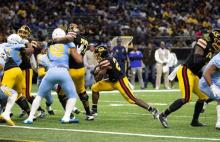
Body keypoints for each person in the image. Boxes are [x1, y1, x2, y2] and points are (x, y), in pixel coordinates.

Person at [158, 29, 220, 128]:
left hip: (194, 73)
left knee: (203, 97)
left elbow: (200, 66)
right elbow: (196, 61)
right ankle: (163, 115)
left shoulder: (211, 49)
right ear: (215, 39)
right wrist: (208, 59)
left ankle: (195, 121)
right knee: (186, 98)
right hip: (186, 71)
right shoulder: (203, 42)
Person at [23, 28, 81, 124]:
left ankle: (30, 117)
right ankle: (66, 117)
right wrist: (77, 50)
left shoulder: (50, 45)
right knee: (72, 96)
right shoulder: (69, 44)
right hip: (63, 71)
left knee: (39, 96)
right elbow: (78, 60)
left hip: (51, 72)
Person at [91, 45, 160, 122]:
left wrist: (95, 73)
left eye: (97, 54)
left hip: (120, 81)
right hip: (112, 80)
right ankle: (94, 110)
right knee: (95, 88)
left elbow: (98, 78)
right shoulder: (108, 58)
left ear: (101, 54)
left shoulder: (105, 61)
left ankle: (153, 110)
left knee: (132, 99)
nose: (96, 56)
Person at [50, 23, 94, 120]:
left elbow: (68, 42)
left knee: (61, 93)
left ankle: (69, 115)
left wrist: (55, 40)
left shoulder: (69, 38)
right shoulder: (85, 41)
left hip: (70, 69)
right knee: (82, 91)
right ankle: (89, 113)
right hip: (80, 68)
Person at [0, 34, 33, 117]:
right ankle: (30, 113)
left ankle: (6, 113)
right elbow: (30, 50)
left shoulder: (4, 46)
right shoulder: (20, 47)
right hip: (18, 71)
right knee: (18, 94)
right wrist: (26, 42)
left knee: (4, 93)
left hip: (8, 71)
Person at [17, 25, 45, 118]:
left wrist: (35, 68)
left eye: (25, 32)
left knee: (27, 94)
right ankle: (24, 109)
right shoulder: (15, 41)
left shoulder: (27, 43)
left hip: (26, 69)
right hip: (18, 70)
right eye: (21, 31)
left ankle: (40, 110)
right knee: (17, 92)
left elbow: (31, 54)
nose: (22, 34)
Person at [199, 52, 220, 129]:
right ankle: (219, 123)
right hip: (206, 83)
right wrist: (212, 87)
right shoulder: (219, 59)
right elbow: (206, 73)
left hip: (215, 81)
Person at [0, 47, 18, 126]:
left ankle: (4, 113)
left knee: (10, 93)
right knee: (12, 94)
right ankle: (6, 113)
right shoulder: (2, 63)